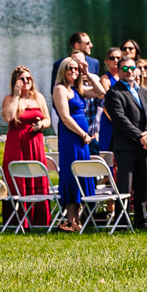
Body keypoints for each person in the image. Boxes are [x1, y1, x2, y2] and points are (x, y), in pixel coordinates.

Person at [103, 55, 147, 229]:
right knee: (124, 186)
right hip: (126, 147)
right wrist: (141, 137)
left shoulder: (143, 91)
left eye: (132, 68)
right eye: (125, 69)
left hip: (144, 146)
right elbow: (120, 120)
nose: (129, 72)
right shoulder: (114, 93)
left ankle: (141, 220)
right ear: (119, 71)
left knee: (142, 184)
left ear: (137, 70)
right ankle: (122, 221)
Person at [52, 55, 101, 231]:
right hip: (71, 138)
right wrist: (83, 134)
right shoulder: (60, 89)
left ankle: (78, 221)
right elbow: (65, 117)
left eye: (76, 68)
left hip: (82, 140)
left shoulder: (78, 89)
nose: (73, 71)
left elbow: (101, 92)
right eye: (70, 68)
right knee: (71, 174)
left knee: (82, 173)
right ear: (63, 71)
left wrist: (88, 73)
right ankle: (72, 220)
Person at [1, 65, 52, 226]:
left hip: (35, 142)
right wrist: (16, 95)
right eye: (22, 79)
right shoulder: (9, 99)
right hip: (17, 143)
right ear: (15, 82)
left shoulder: (38, 97)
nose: (26, 81)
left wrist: (41, 125)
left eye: (28, 78)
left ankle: (40, 219)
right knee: (18, 177)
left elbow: (48, 119)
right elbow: (9, 117)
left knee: (37, 176)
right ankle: (18, 220)